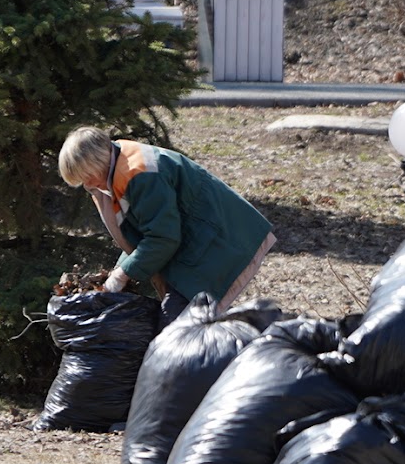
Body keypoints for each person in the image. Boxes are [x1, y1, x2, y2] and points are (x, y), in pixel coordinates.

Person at [58, 126, 276, 327]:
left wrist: (123, 274)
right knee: (180, 330)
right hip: (200, 243)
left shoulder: (139, 174)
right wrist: (120, 269)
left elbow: (162, 238)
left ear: (99, 161)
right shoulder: (119, 167)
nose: (88, 185)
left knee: (177, 330)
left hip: (223, 241)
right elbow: (145, 231)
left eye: (88, 177)